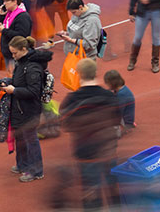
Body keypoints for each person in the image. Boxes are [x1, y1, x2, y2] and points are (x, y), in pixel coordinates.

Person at [59, 58, 122, 208]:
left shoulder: (72, 99)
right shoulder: (109, 96)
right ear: (95, 73)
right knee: (113, 190)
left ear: (79, 75)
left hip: (86, 153)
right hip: (108, 150)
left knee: (90, 194)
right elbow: (116, 120)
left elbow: (66, 124)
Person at [2, 36, 51, 182]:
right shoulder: (21, 62)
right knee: (20, 137)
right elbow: (19, 81)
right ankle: (22, 164)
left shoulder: (32, 67)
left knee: (31, 140)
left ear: (24, 49)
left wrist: (14, 90)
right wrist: (9, 83)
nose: (13, 56)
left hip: (29, 110)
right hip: (19, 108)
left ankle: (36, 171)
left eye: (15, 53)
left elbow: (34, 91)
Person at [0, 0, 32, 70]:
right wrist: (0, 17)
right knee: (10, 74)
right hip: (9, 51)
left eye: (6, 1)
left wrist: (3, 30)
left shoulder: (22, 17)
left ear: (15, 1)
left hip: (16, 53)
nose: (4, 4)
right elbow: (5, 24)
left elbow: (21, 35)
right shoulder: (10, 13)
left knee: (15, 76)